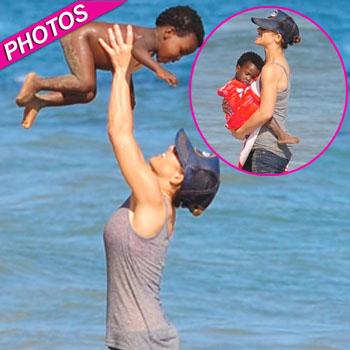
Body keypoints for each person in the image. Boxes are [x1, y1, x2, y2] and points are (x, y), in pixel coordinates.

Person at [100, 25, 220, 349]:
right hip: (142, 338)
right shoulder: (154, 199)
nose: (171, 148)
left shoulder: (153, 201)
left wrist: (123, 67)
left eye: (178, 155)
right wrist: (123, 73)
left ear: (178, 178)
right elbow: (126, 127)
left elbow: (118, 133)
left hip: (143, 341)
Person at [16, 5, 204, 129]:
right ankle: (37, 82)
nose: (178, 58)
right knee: (85, 83)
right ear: (169, 33)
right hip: (80, 36)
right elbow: (137, 50)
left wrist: (129, 95)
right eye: (180, 50)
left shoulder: (147, 52)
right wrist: (158, 70)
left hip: (88, 46)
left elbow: (123, 69)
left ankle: (39, 102)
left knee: (87, 95)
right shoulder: (146, 38)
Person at [229, 9, 301, 174]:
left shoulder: (271, 69)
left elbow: (266, 113)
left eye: (265, 27)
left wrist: (240, 132)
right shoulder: (277, 64)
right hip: (270, 150)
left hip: (266, 150)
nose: (258, 30)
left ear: (277, 37)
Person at [218, 51, 299, 144]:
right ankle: (281, 135)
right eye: (247, 74)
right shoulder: (232, 85)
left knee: (260, 107)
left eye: (253, 77)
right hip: (237, 118)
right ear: (238, 68)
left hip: (237, 121)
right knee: (263, 110)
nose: (249, 79)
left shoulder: (241, 81)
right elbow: (229, 94)